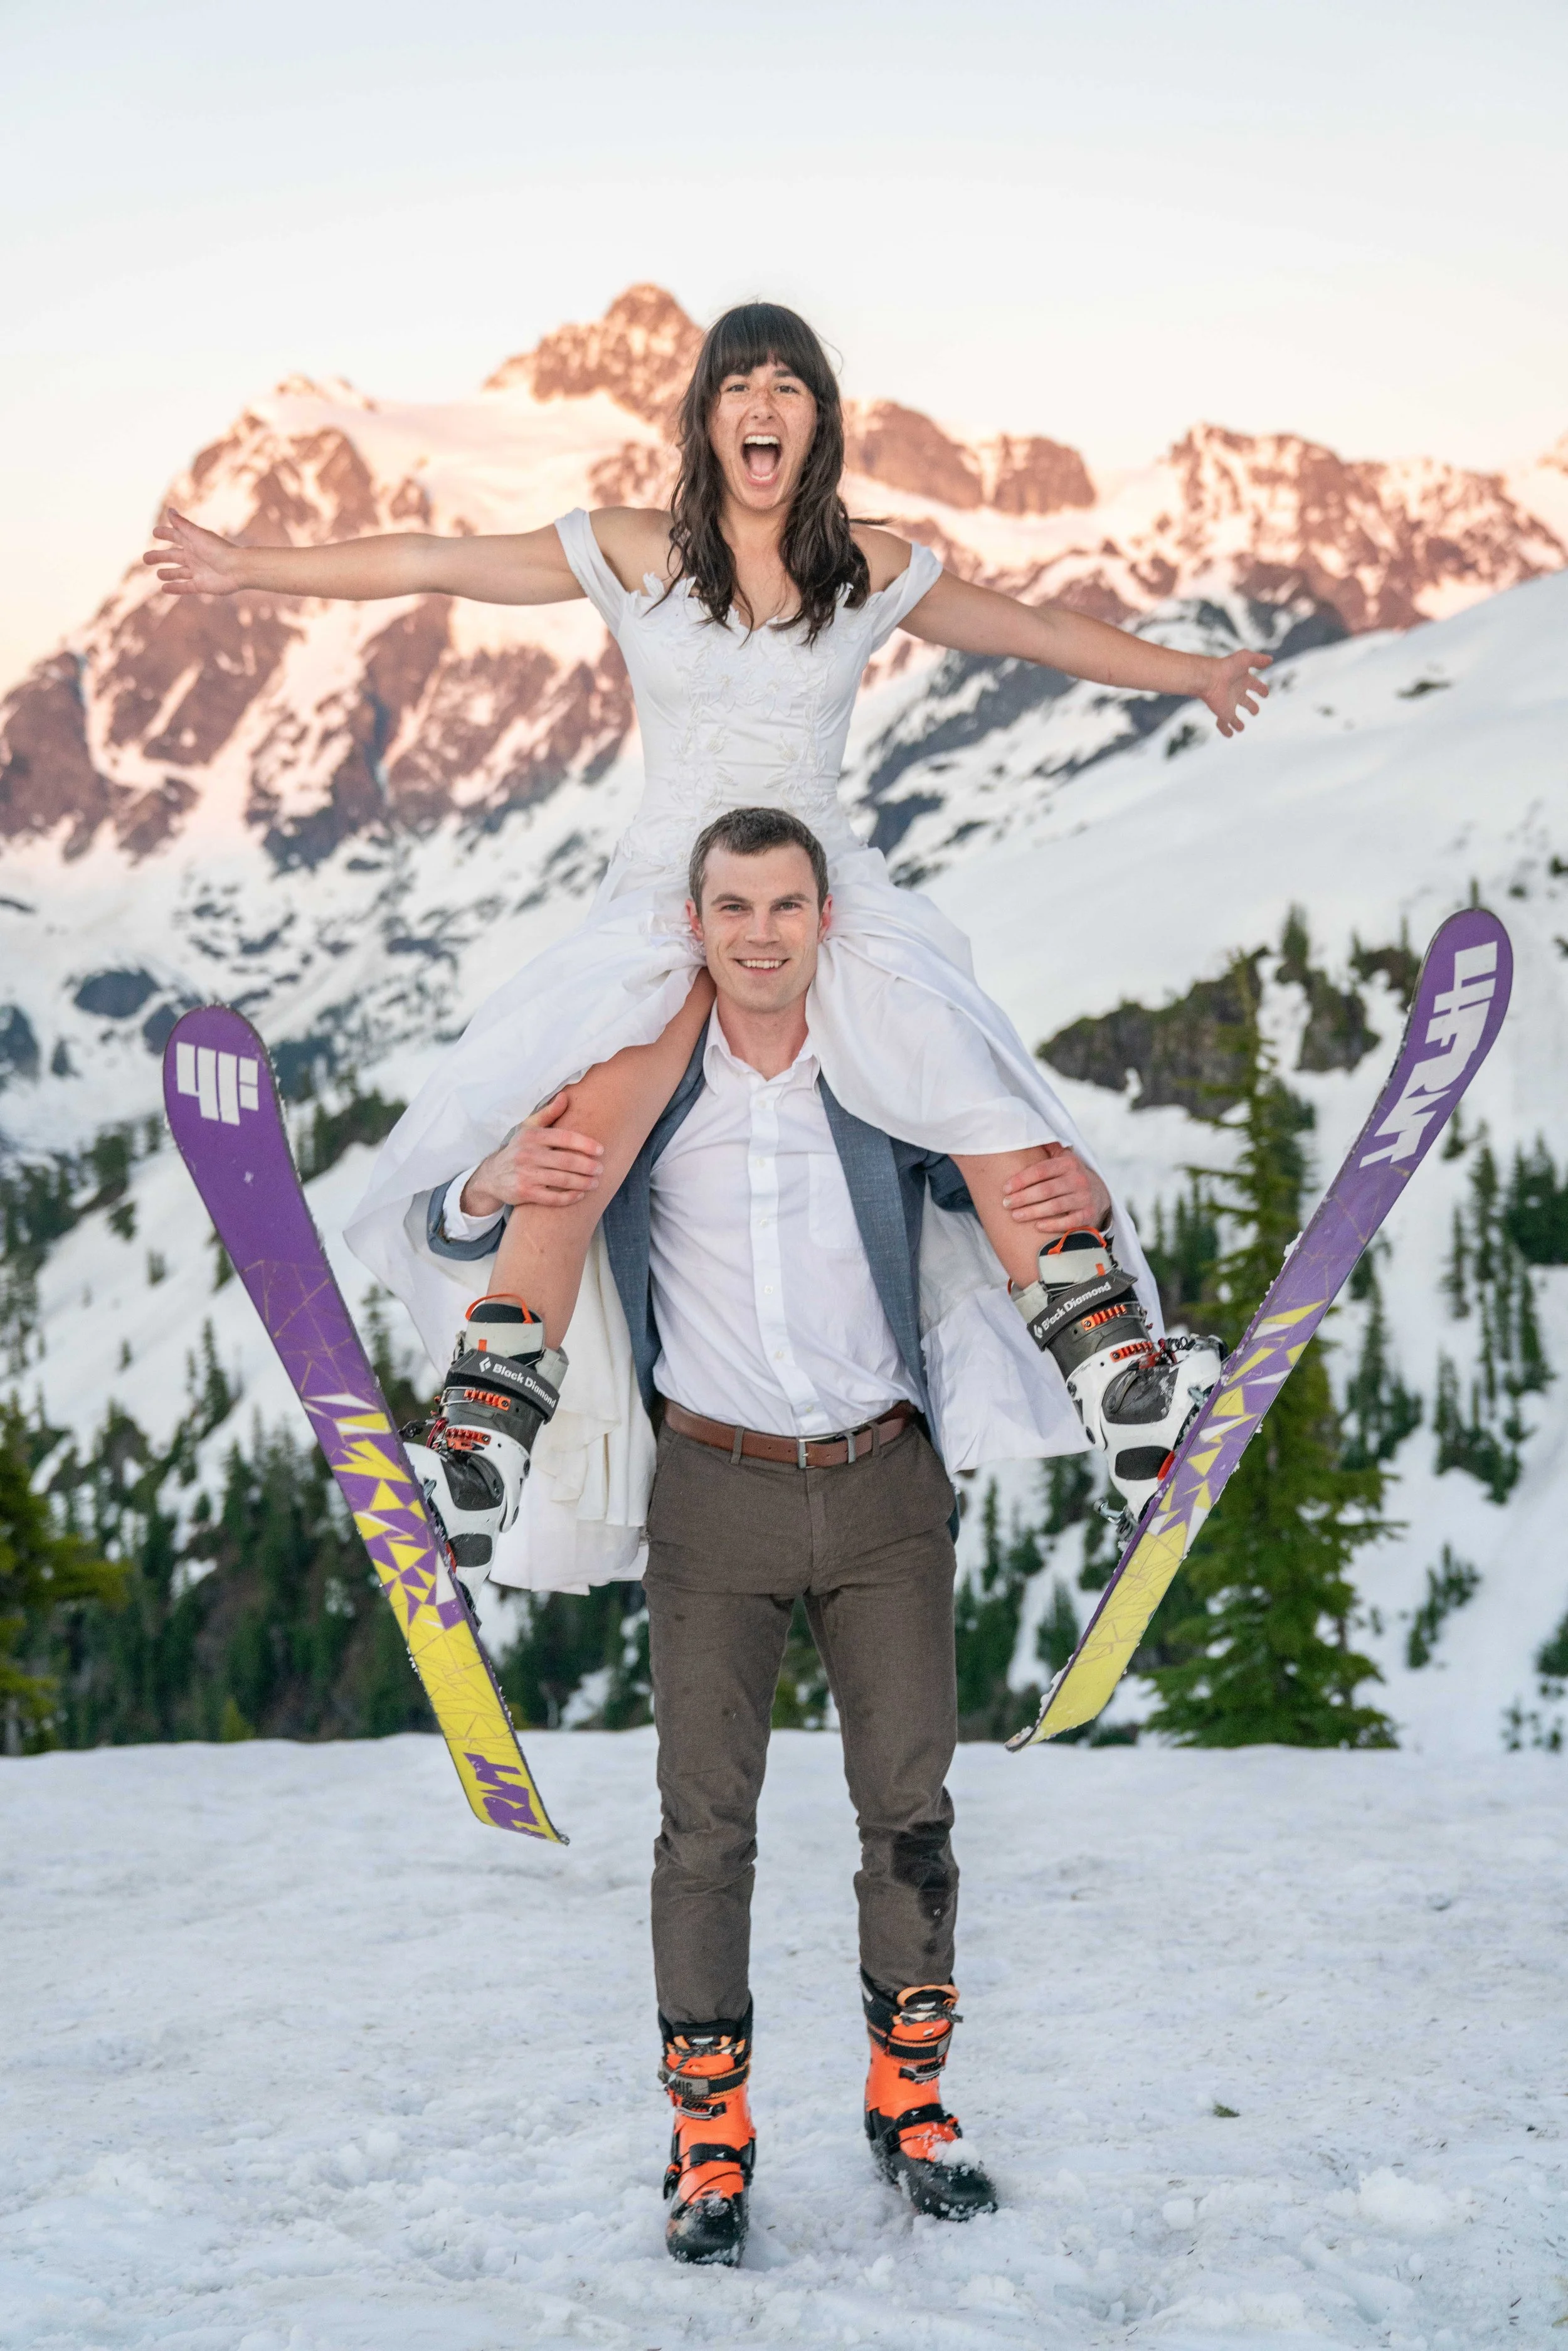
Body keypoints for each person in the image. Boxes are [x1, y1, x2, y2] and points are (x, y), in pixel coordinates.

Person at [145, 299, 1263, 1594]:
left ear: (817, 419)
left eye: (787, 384)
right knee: (578, 1125)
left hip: (823, 884)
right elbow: (436, 558)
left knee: (963, 1076)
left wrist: (1189, 676)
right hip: (670, 893)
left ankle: (1117, 1382)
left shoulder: (867, 563)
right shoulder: (634, 552)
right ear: (707, 416)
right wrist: (248, 569)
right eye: (739, 383)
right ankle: (481, 1446)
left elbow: (1040, 630)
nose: (761, 405)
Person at [427, 804, 1125, 2261]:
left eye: (784, 906)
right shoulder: (646, 1093)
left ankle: (911, 2107)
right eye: (733, 907)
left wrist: (1087, 1195)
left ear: (824, 919)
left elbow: (1003, 1179)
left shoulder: (880, 1081)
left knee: (909, 1811)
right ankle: (708, 2139)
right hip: (711, 1493)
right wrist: (479, 1186)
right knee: (704, 1828)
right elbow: (462, 1213)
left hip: (883, 1488)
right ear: (697, 923)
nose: (759, 933)